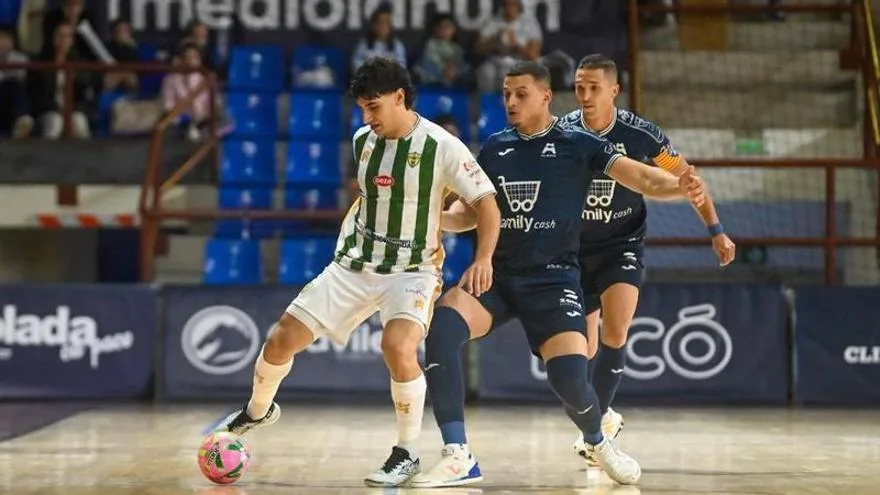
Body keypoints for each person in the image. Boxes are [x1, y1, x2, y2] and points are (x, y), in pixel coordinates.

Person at [410, 61, 706, 487]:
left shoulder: (579, 143)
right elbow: (470, 213)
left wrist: (681, 185)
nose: (510, 102)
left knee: (569, 379)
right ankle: (457, 454)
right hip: (500, 277)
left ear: (546, 97)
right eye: (506, 94)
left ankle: (597, 441)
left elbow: (641, 176)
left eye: (521, 94)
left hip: (554, 281)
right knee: (442, 328)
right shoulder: (495, 147)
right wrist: (434, 218)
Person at [214, 57, 501, 488]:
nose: (367, 118)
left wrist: (482, 257)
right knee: (279, 340)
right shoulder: (362, 140)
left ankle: (406, 452)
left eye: (374, 107)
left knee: (398, 345)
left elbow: (486, 206)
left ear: (400, 98)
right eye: (362, 110)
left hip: (413, 271)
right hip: (353, 264)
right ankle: (257, 411)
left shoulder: (444, 146)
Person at [561, 54, 736, 465]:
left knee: (616, 331)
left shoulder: (642, 134)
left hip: (622, 242)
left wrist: (716, 230)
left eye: (594, 88)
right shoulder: (564, 131)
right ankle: (602, 420)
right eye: (579, 87)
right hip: (575, 248)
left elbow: (688, 180)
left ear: (614, 91)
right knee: (580, 350)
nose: (585, 95)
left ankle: (597, 429)